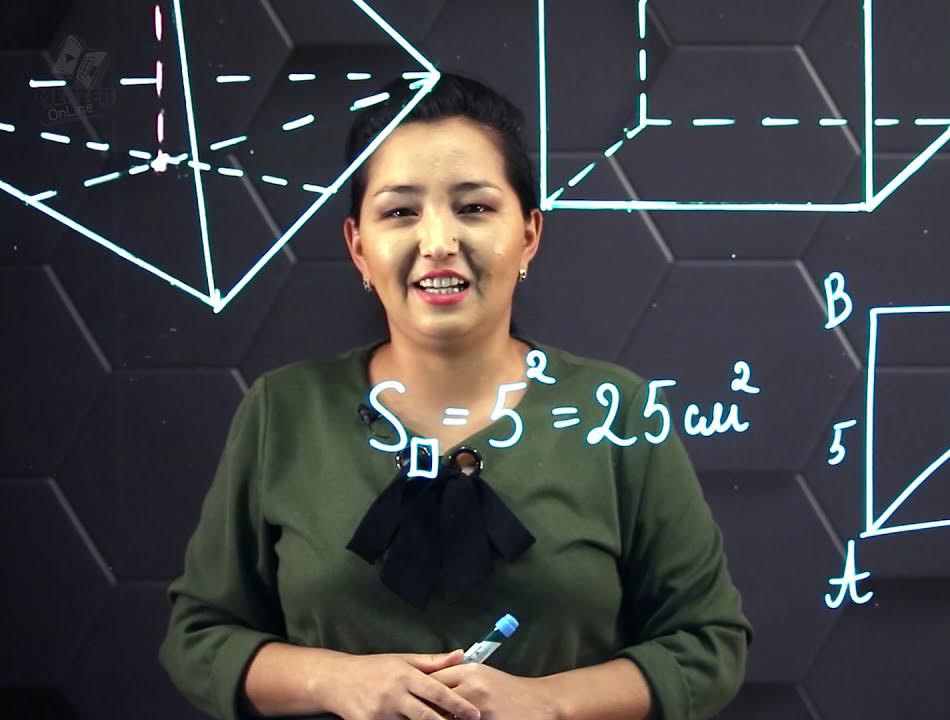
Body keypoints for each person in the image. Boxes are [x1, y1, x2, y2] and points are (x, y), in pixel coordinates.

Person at [158, 73, 752, 720]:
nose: (438, 243)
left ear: (529, 235)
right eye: (400, 212)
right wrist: (334, 680)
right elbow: (199, 638)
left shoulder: (617, 410)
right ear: (358, 247)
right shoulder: (283, 411)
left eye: (473, 208)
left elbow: (707, 643)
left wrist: (548, 702)